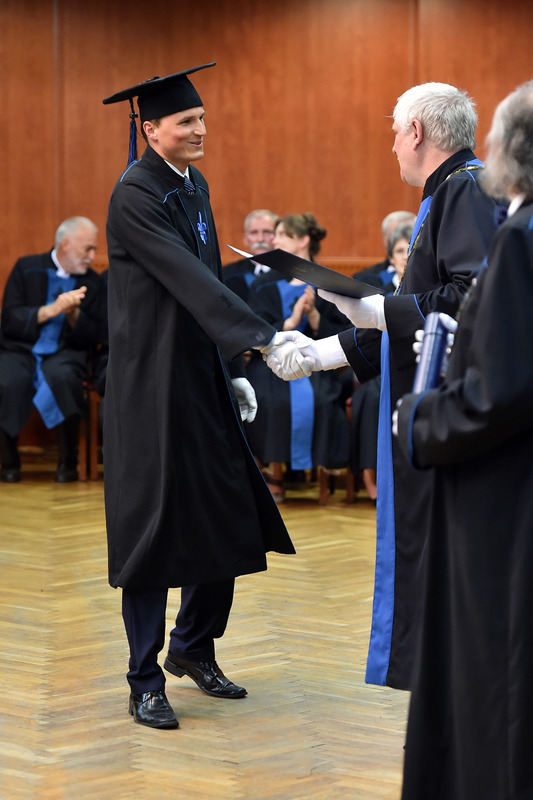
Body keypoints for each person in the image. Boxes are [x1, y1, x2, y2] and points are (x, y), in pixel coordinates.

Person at [267, 83, 503, 690]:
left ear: (417, 132)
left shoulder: (464, 189)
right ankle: (433, 672)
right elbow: (410, 315)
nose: (393, 145)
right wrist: (318, 355)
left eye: (395, 132)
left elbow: (470, 297)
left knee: (435, 544)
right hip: (424, 399)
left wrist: (377, 309)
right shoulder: (449, 191)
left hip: (441, 407)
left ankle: (441, 674)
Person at [101, 63, 310, 730]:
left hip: (201, 375)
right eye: (186, 121)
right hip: (151, 386)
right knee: (151, 530)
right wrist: (261, 338)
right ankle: (143, 679)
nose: (200, 129)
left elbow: (210, 278)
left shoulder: (195, 186)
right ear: (150, 130)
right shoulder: (135, 193)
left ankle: (192, 646)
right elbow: (185, 278)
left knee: (225, 511)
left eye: (201, 118)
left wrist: (231, 365)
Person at [394, 79, 533, 800]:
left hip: (501, 493)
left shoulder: (517, 236)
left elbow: (497, 389)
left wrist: (418, 420)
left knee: (491, 672)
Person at [245, 213, 352, 501]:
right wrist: (289, 323)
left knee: (323, 398)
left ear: (303, 240)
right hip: (270, 360)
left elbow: (346, 332)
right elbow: (252, 327)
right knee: (270, 398)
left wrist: (315, 316)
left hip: (318, 361)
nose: (274, 240)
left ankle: (319, 469)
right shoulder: (264, 282)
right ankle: (274, 473)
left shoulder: (328, 281)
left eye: (282, 235)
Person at [0, 216, 105, 483]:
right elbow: (9, 320)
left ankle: (67, 462)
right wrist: (51, 310)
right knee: (7, 380)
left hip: (65, 352)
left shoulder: (93, 282)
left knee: (64, 378)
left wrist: (73, 314)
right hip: (21, 349)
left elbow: (97, 334)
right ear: (66, 244)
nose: (92, 257)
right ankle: (9, 463)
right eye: (87, 249)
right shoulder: (26, 268)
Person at [349, 223, 413, 500]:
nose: (405, 256)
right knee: (372, 395)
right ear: (390, 258)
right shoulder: (377, 290)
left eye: (410, 250)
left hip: (410, 362)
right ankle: (369, 474)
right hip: (376, 363)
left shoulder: (423, 289)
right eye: (399, 251)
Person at [223, 209, 278, 302]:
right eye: (254, 233)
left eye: (267, 232)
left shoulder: (289, 274)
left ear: (277, 236)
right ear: (245, 239)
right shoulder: (227, 275)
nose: (260, 239)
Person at [352, 210, 416, 282]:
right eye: (396, 235)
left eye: (410, 234)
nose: (405, 256)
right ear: (386, 240)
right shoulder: (363, 280)